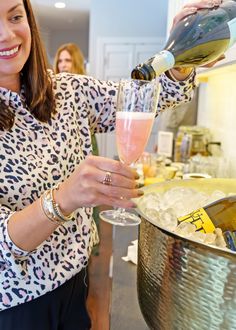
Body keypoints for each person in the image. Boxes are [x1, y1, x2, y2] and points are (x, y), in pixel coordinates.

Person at [0, 0, 221, 329]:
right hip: (17, 307)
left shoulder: (69, 90)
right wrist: (63, 198)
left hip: (76, 283)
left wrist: (181, 55)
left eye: (15, 16)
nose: (7, 34)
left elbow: (147, 94)